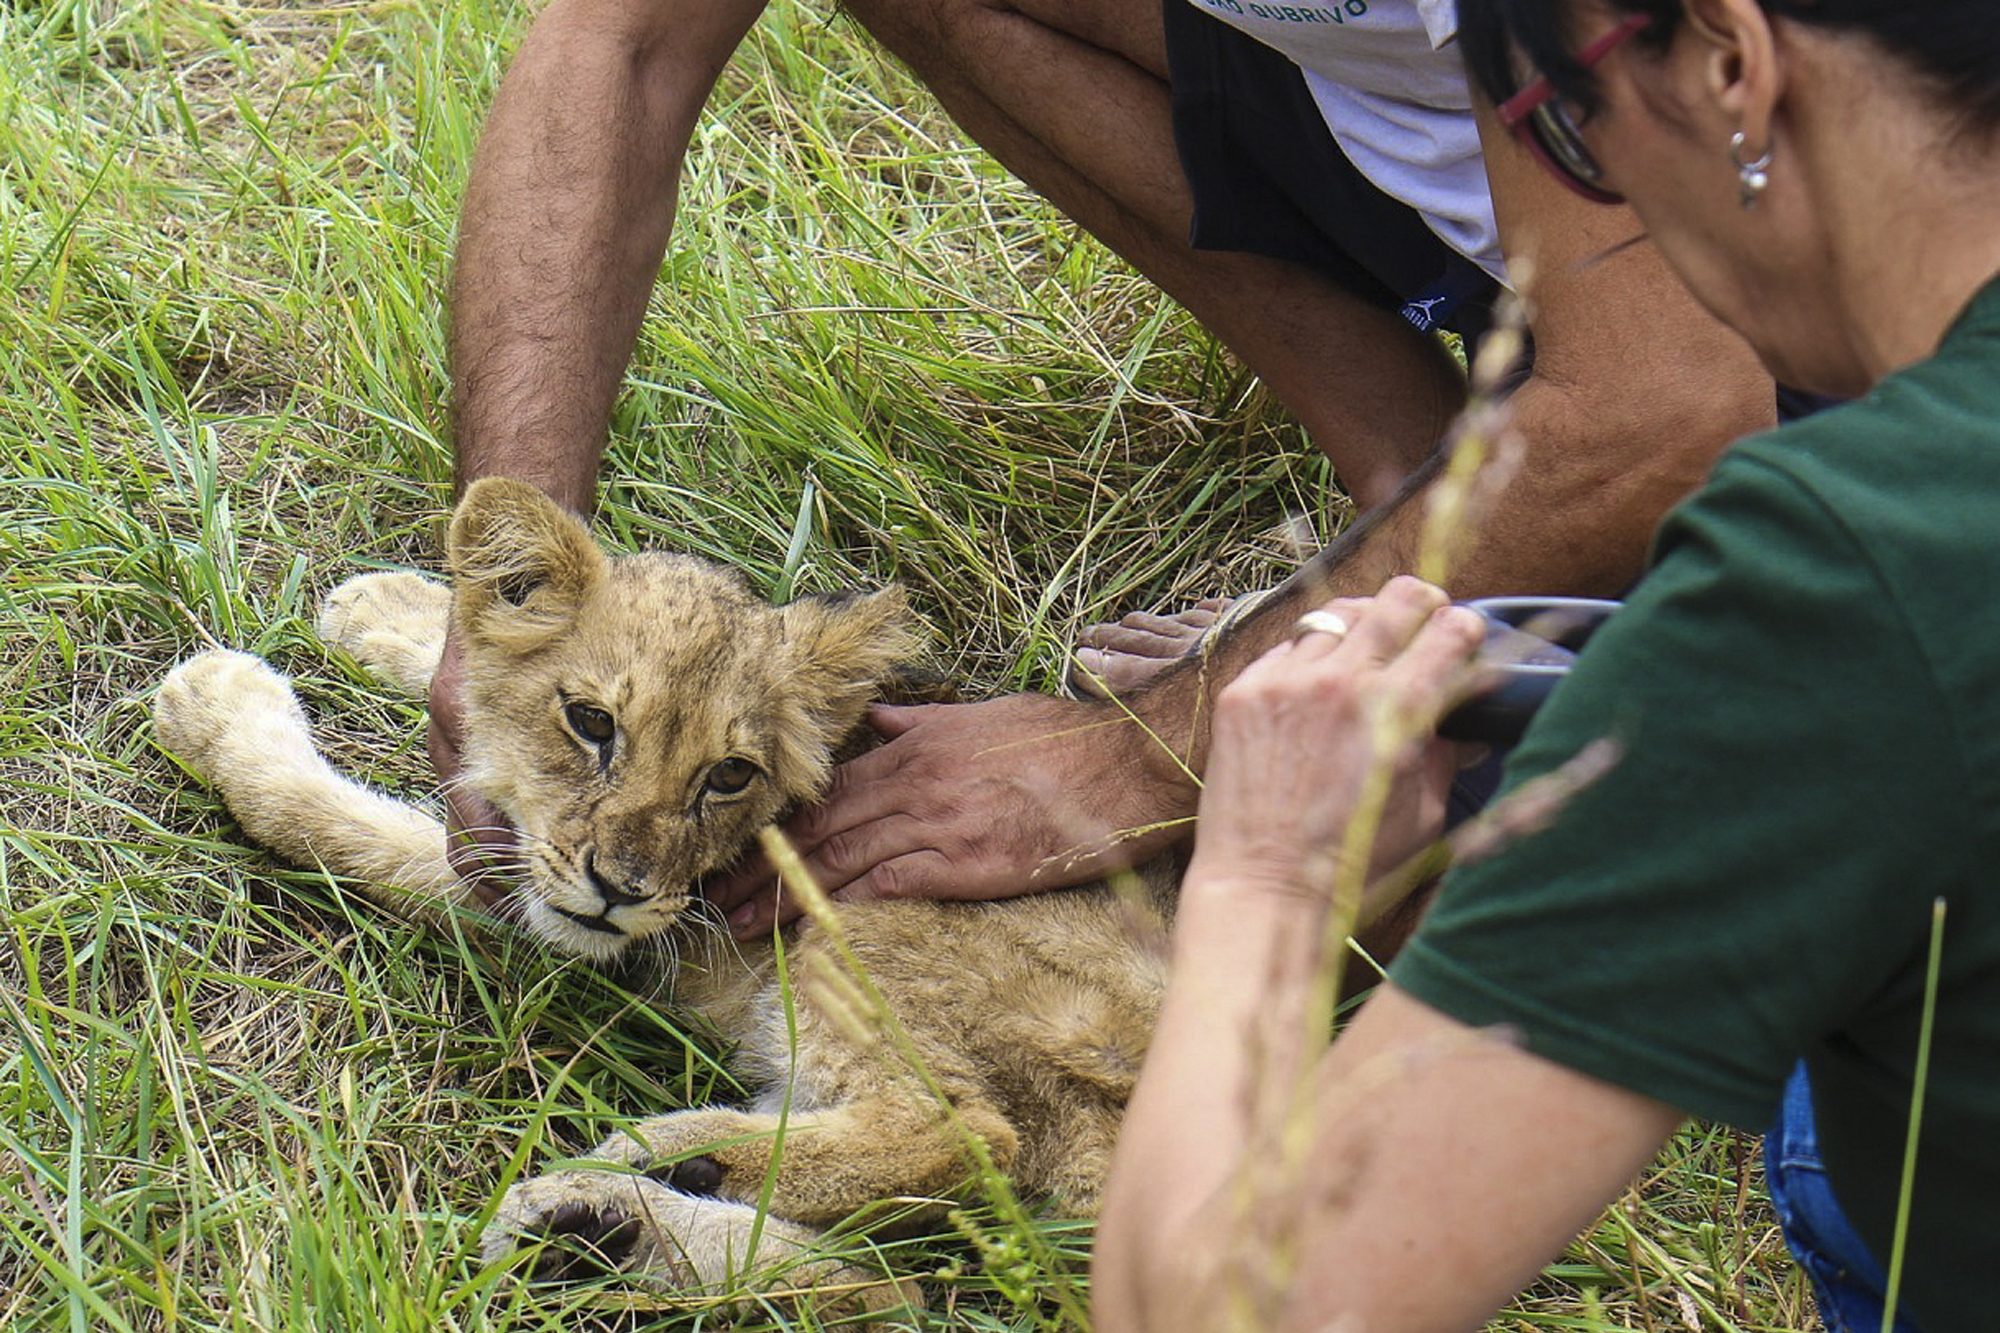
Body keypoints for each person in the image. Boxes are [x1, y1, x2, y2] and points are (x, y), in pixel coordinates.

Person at [431, 0, 1778, 918]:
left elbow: (1677, 401)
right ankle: (1421, 486)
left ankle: (1498, 584)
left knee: (1476, 865)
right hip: (1530, 153)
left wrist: (1138, 756)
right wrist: (511, 618)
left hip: (1821, 319)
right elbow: (621, 43)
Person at [1093, 2, 2000, 1331]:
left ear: (1731, 62)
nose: (1607, 193)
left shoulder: (1839, 569)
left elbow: (1227, 1315)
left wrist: (1265, 876)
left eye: (1564, 132)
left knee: (1829, 1155)